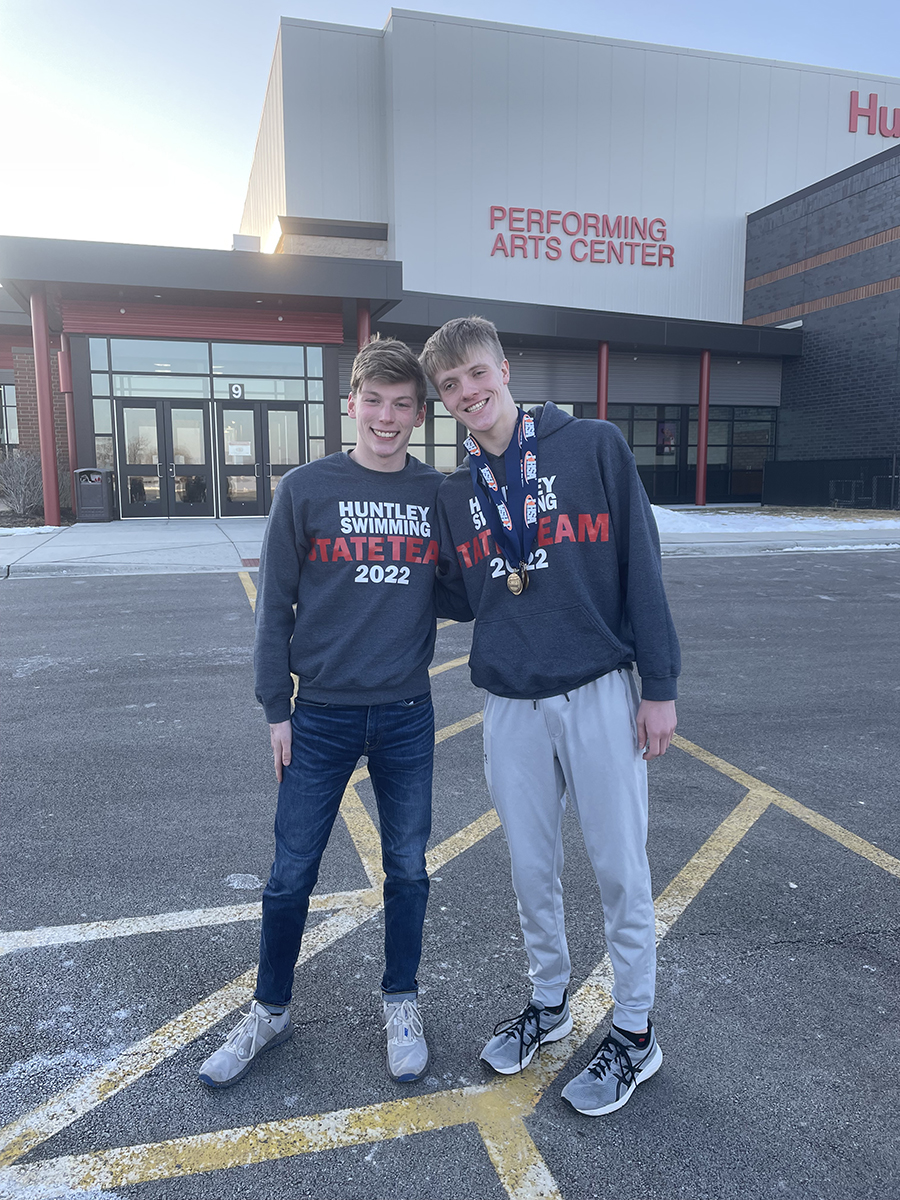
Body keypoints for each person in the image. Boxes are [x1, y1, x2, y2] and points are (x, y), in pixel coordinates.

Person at [421, 317, 680, 1117]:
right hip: (510, 701)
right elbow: (462, 596)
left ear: (504, 366)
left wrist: (658, 684)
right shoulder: (457, 493)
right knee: (531, 869)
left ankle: (635, 1035)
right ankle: (550, 1003)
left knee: (618, 868)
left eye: (475, 373)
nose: (468, 393)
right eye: (450, 387)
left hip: (598, 689)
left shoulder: (593, 445)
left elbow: (642, 561)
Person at [200, 337, 462, 1089]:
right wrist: (275, 708)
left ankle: (400, 1000)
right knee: (289, 875)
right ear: (350, 404)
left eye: (401, 404)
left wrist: (491, 556)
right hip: (318, 715)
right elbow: (273, 605)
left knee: (408, 869)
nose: (386, 416)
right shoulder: (307, 489)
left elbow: (454, 593)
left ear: (418, 414)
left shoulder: (435, 493)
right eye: (372, 401)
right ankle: (270, 1010)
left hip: (408, 711)